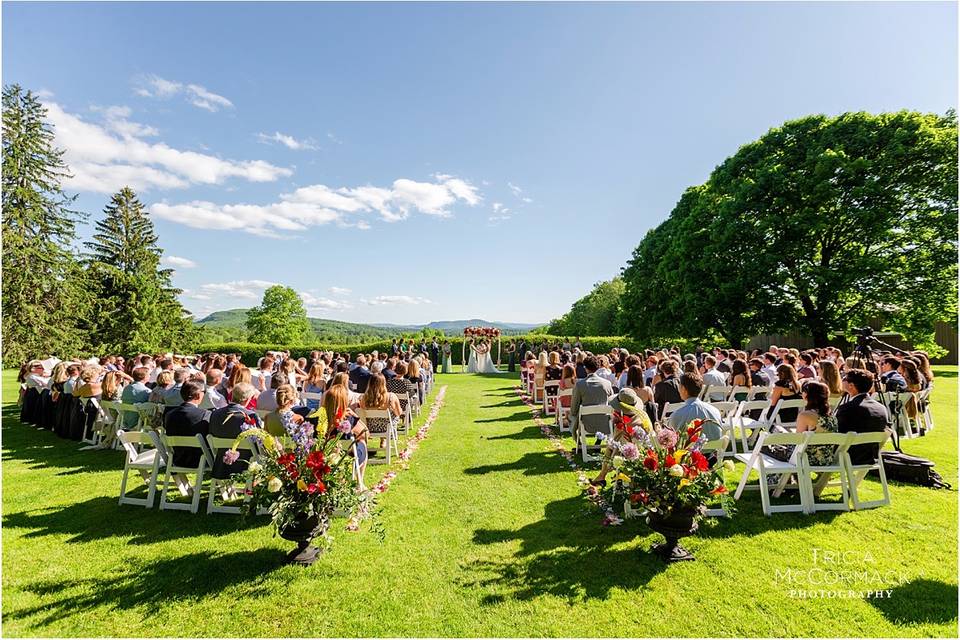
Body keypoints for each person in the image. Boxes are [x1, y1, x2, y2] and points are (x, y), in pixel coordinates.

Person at [208, 383, 261, 481]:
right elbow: (258, 441)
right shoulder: (250, 415)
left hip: (220, 462)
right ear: (247, 399)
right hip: (245, 462)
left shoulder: (215, 414)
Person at [836, 369, 889, 465]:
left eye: (844, 378)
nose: (842, 380)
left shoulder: (847, 408)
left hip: (848, 455)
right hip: (871, 456)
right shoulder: (881, 408)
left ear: (851, 386)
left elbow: (838, 432)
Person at [162, 380, 210, 468]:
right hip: (201, 460)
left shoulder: (169, 415)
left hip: (177, 459)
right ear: (199, 395)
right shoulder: (204, 414)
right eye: (204, 392)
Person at [668, 372, 723, 440]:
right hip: (715, 449)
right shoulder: (715, 410)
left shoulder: (677, 415)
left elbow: (671, 441)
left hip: (692, 450)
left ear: (683, 389)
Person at [570, 356, 614, 440]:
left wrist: (572, 414)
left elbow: (574, 408)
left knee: (573, 415)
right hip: (604, 422)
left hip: (586, 423)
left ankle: (578, 442)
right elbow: (612, 403)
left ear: (585, 368)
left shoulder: (580, 385)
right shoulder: (607, 384)